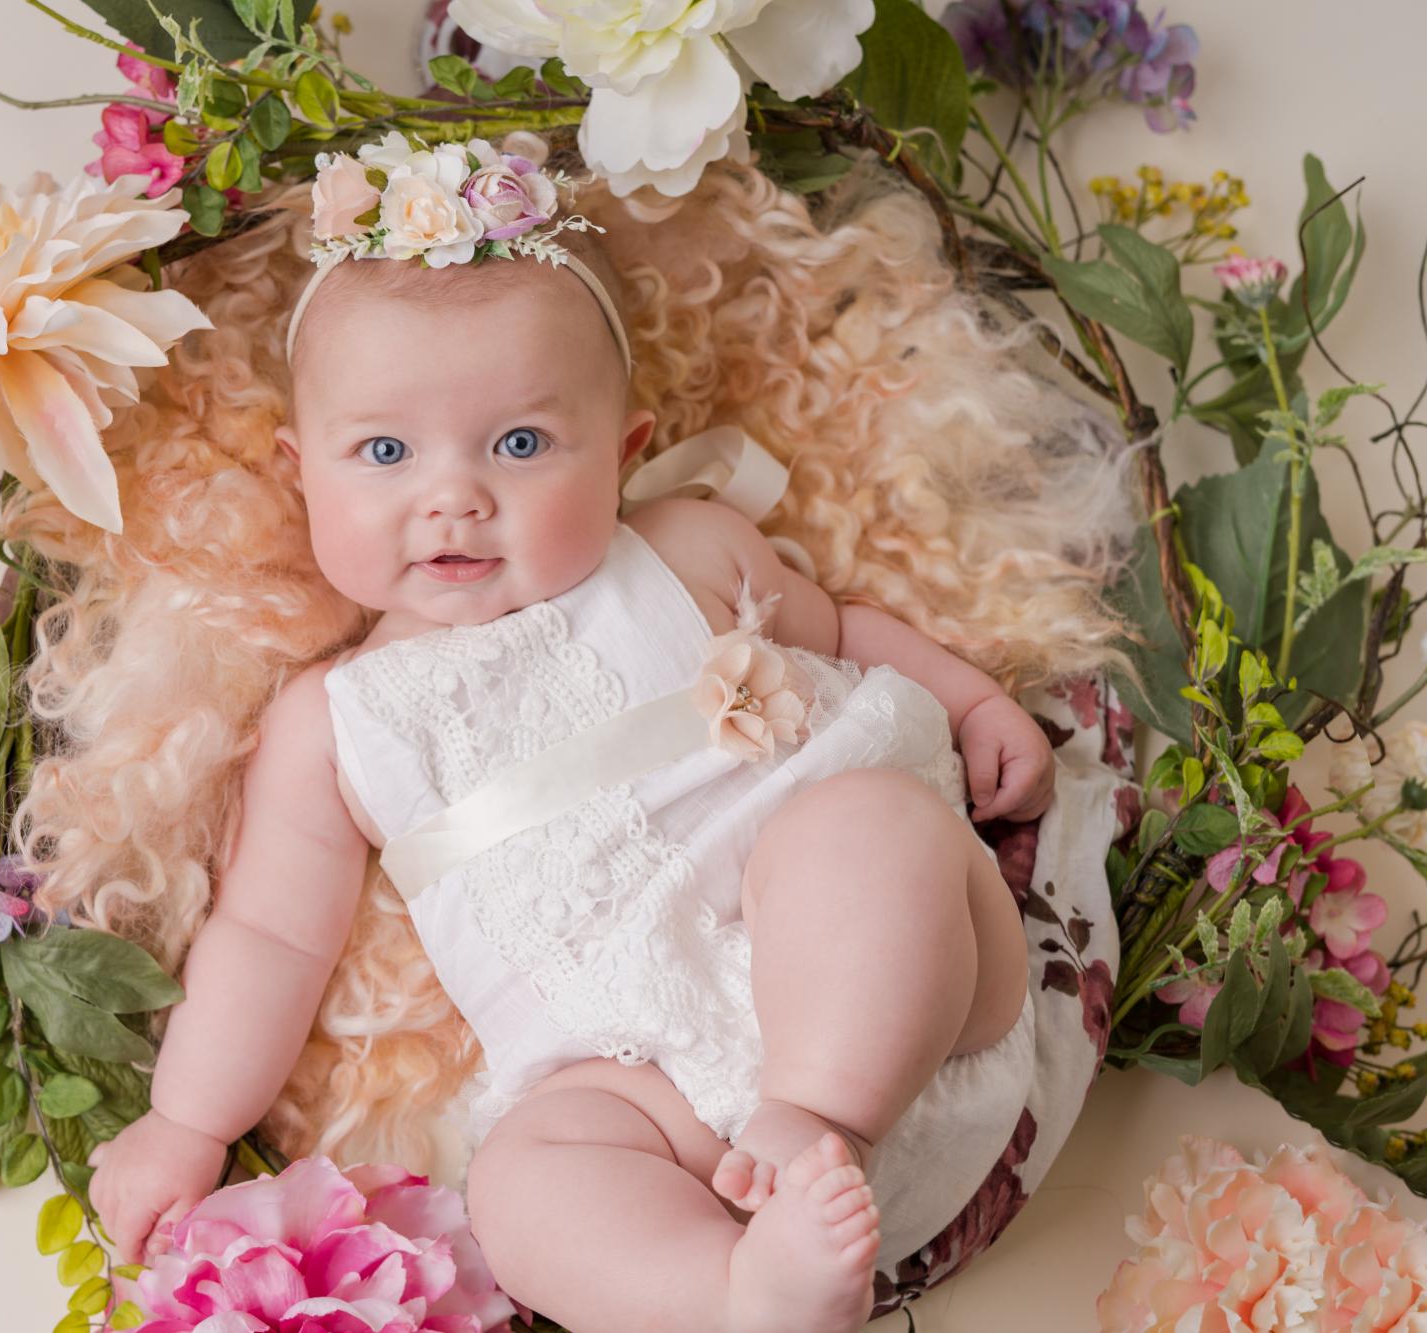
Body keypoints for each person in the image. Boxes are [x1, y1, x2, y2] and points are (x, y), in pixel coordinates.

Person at [54, 131, 1103, 1333]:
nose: (452, 495)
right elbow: (269, 938)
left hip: (896, 1018)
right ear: (303, 475)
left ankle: (817, 1110)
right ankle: (734, 1294)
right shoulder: (332, 725)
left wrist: (970, 700)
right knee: (521, 1181)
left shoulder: (685, 546)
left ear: (625, 454)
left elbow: (845, 626)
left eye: (518, 444)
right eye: (384, 452)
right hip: (637, 1092)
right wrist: (187, 1120)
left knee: (868, 828)